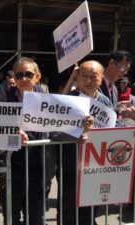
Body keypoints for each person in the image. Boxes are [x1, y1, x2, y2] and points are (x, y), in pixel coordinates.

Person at [0, 57, 92, 225]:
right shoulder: (4, 99)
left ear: (37, 76)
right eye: (19, 75)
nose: (23, 79)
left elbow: (58, 129)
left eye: (28, 74)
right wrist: (12, 133)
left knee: (35, 217)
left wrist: (79, 135)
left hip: (40, 168)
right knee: (11, 217)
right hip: (12, 168)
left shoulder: (50, 101)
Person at [56, 60, 113, 225]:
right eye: (84, 76)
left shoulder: (105, 102)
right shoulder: (67, 100)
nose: (89, 81)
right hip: (70, 164)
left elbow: (112, 128)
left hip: (95, 165)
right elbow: (54, 132)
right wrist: (75, 136)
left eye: (93, 77)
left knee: (91, 207)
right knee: (69, 208)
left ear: (101, 79)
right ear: (77, 77)